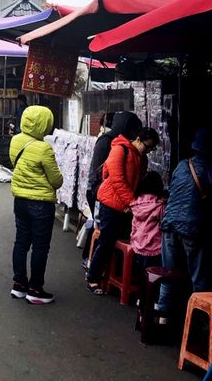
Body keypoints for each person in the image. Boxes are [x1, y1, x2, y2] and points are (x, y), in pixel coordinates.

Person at [86, 126, 160, 294]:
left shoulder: (142, 158)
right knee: (106, 241)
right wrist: (133, 203)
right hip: (111, 204)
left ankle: (114, 277)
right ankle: (93, 277)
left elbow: (137, 182)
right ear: (138, 140)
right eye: (147, 146)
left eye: (151, 148)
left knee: (125, 242)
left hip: (126, 206)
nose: (148, 151)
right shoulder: (119, 150)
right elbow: (116, 179)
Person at [9, 105, 63, 305]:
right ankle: (35, 288)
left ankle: (19, 285)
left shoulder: (16, 140)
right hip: (40, 203)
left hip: (20, 200)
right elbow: (56, 180)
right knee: (40, 246)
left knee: (21, 242)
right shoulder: (44, 148)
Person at [157, 127, 212, 317]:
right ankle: (199, 319)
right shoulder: (208, 168)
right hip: (191, 227)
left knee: (168, 273)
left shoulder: (182, 165)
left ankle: (164, 316)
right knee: (199, 277)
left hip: (169, 223)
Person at [81, 111, 142, 267]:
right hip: (99, 191)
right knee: (103, 231)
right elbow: (100, 172)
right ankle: (90, 262)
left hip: (110, 193)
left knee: (105, 230)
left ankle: (100, 264)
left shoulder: (124, 144)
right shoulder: (107, 142)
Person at [130, 171, 167, 270]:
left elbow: (134, 226)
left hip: (137, 248)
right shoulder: (160, 205)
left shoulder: (137, 204)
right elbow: (165, 225)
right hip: (154, 250)